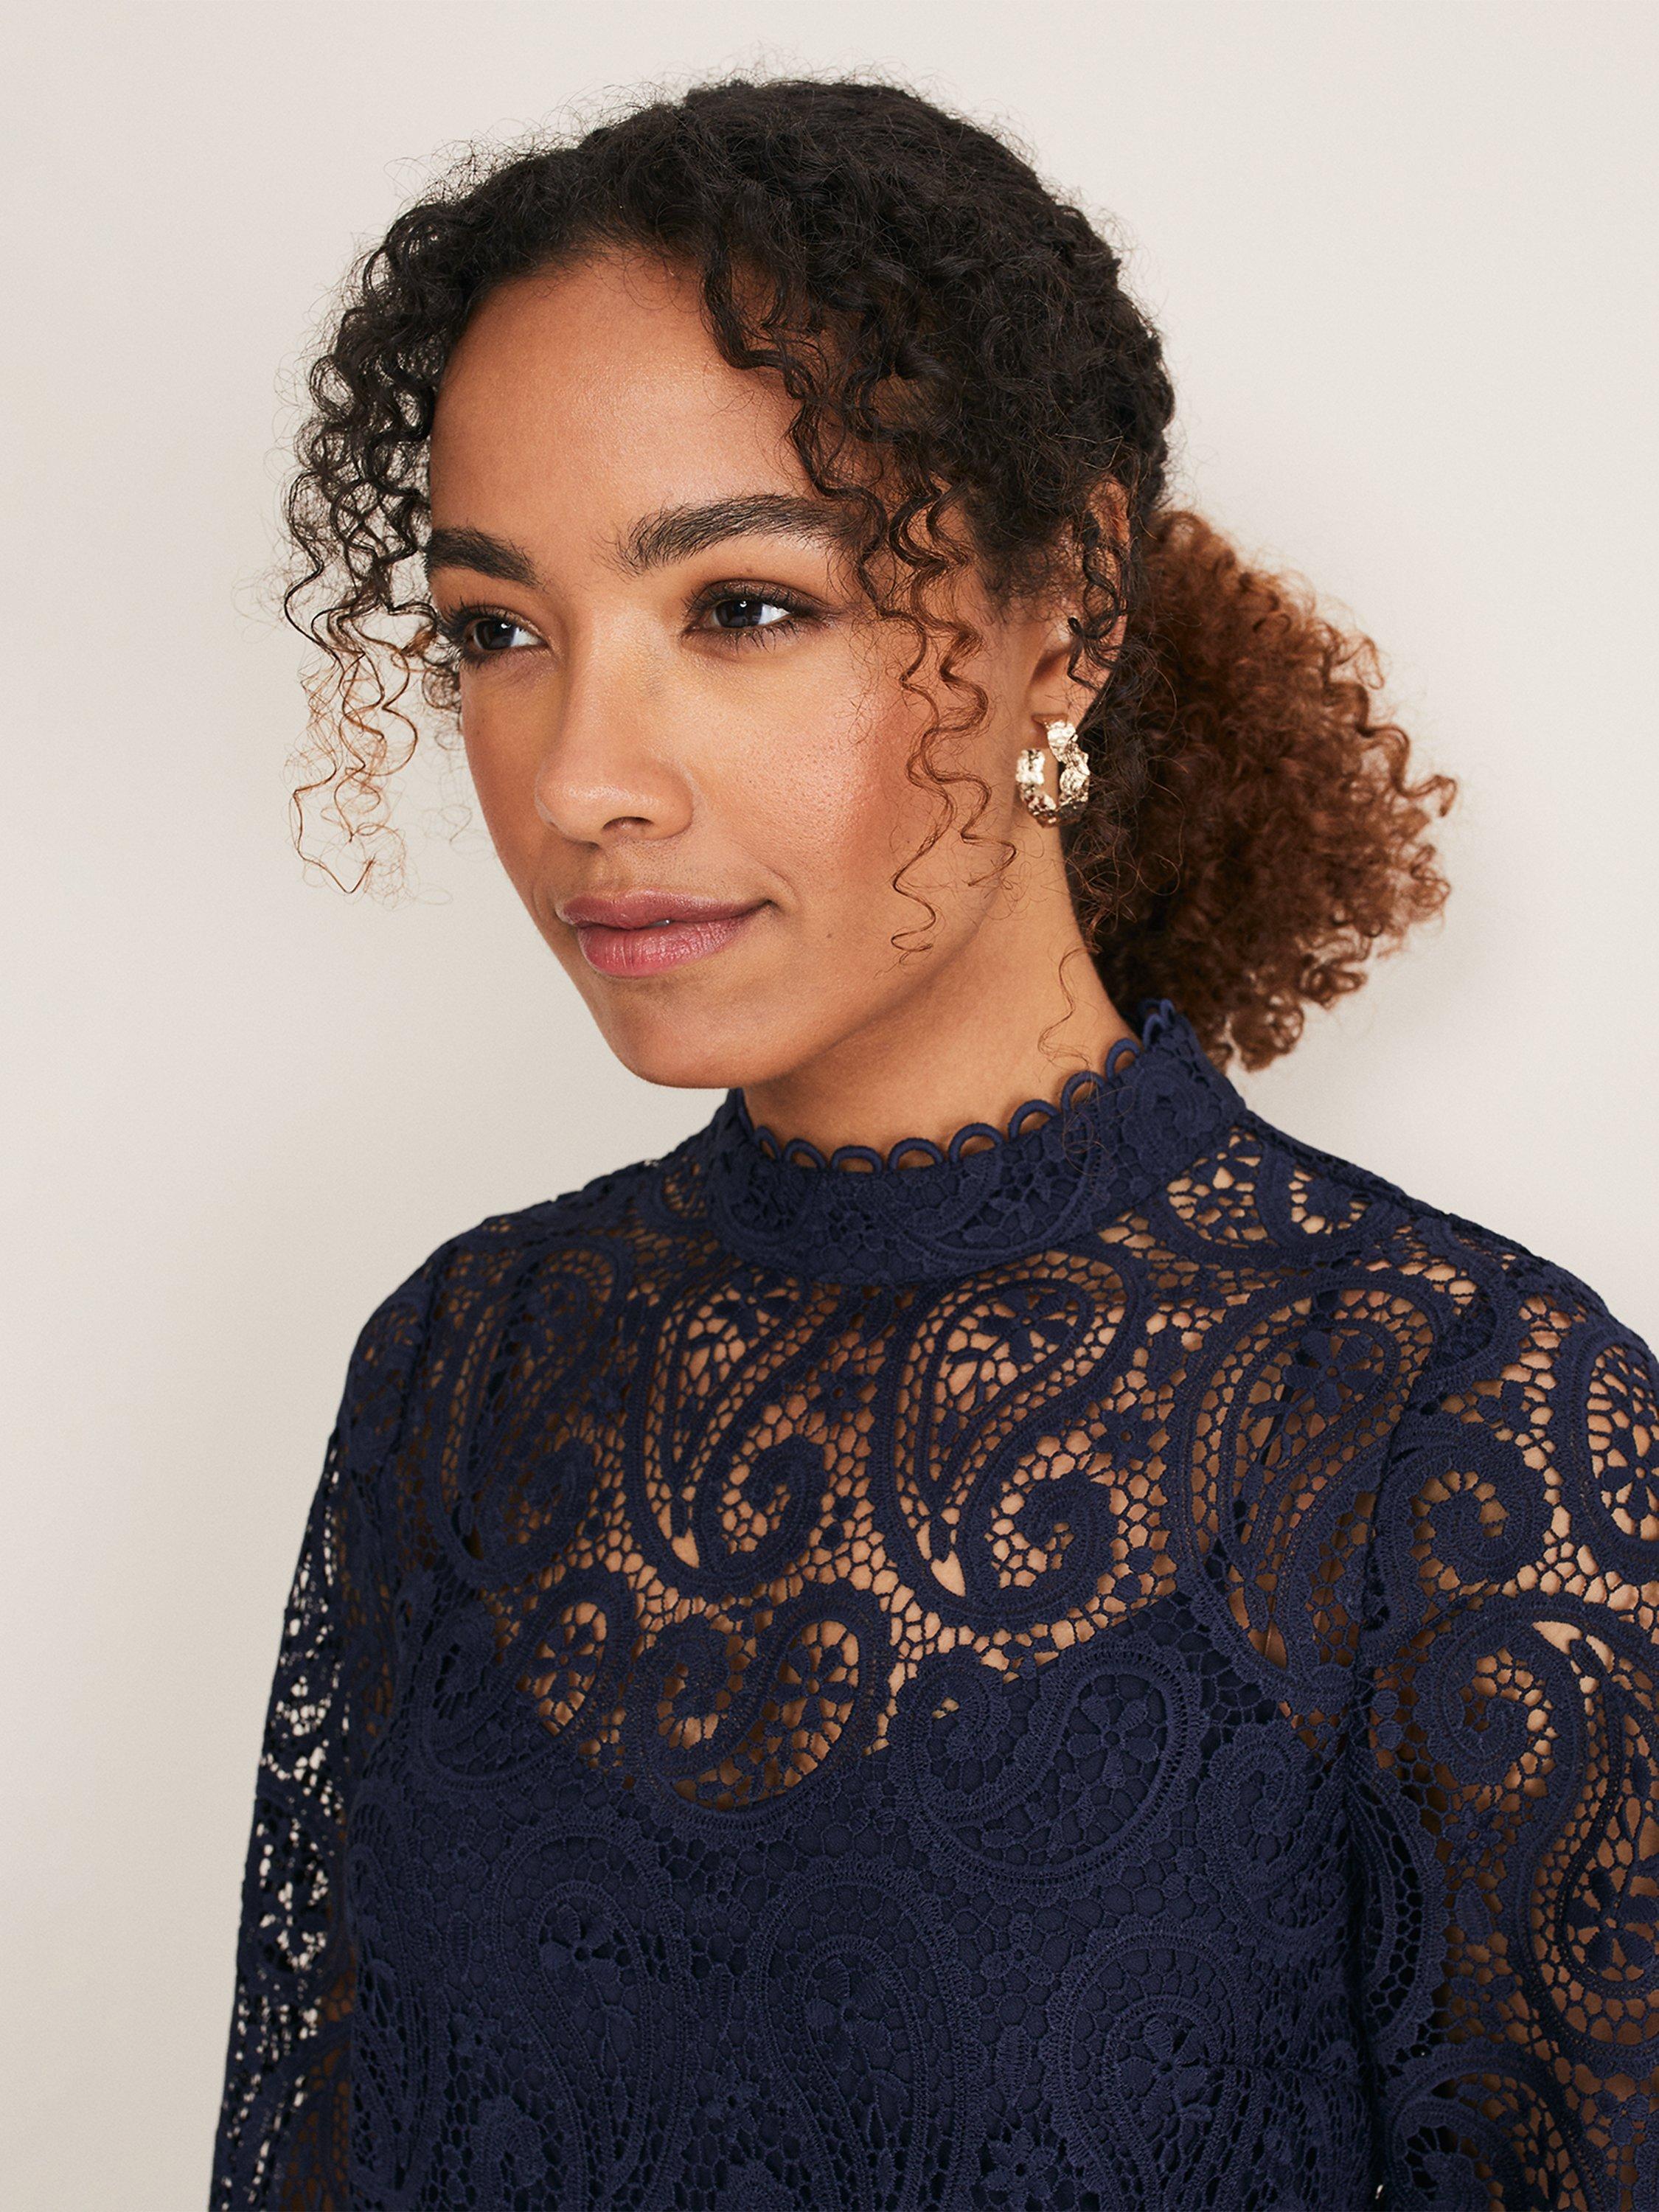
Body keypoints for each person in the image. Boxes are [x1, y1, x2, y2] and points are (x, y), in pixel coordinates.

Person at [211, 76, 1659, 2212]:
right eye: (497, 631)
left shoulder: (1453, 1430)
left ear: (1062, 613)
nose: (582, 777)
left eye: (743, 607)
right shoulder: (466, 1371)